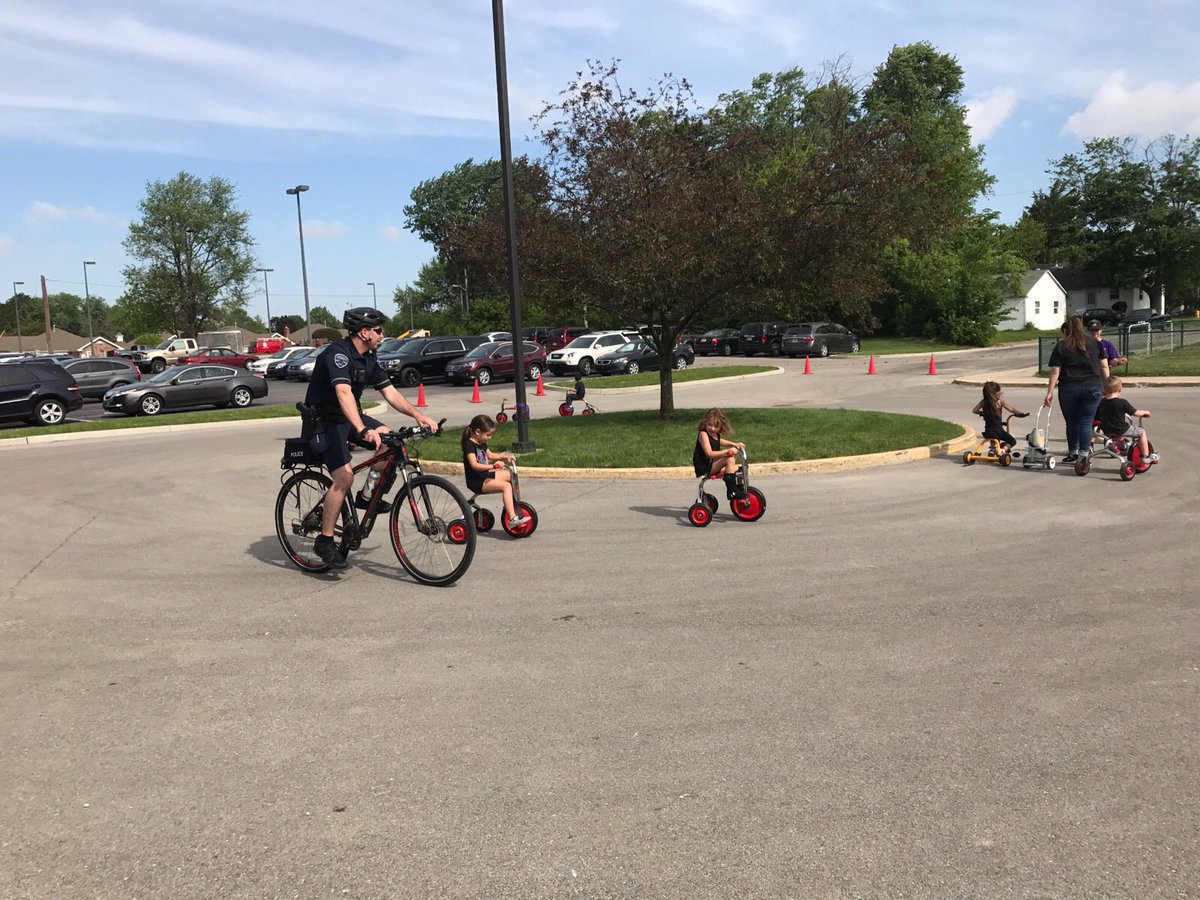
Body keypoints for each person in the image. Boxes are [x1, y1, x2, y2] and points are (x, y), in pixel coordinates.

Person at [304, 307, 439, 569]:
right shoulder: (338, 354)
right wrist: (363, 429)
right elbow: (343, 393)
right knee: (344, 478)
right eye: (378, 330)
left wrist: (418, 415)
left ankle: (366, 496)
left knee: (391, 442)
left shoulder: (369, 358)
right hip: (323, 421)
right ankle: (325, 540)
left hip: (349, 417)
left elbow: (390, 392)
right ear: (364, 332)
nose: (382, 335)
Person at [1045, 315, 1109, 464]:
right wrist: (1107, 385)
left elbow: (1055, 371)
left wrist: (1049, 392)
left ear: (1066, 330)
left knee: (1071, 422)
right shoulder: (1095, 343)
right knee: (1086, 422)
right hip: (1093, 387)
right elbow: (1104, 366)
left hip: (1069, 388)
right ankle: (1084, 455)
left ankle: (1073, 452)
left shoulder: (1062, 346)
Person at [461, 414, 529, 527]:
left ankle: (511, 505)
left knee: (510, 474)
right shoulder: (469, 445)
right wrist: (494, 467)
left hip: (484, 476)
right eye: (488, 435)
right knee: (506, 486)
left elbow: (491, 455)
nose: (490, 438)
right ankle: (512, 519)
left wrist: (505, 456)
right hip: (477, 481)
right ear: (478, 432)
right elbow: (474, 465)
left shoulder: (481, 443)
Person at [1096, 375, 1159, 464]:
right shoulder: (1122, 402)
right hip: (1120, 429)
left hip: (1107, 430)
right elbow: (1136, 413)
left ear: (1104, 390)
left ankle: (1123, 449)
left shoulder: (1102, 402)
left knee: (1119, 436)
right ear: (1119, 389)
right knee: (1141, 432)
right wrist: (1146, 412)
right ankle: (1146, 456)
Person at [693, 408, 746, 498]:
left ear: (721, 426)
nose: (712, 428)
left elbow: (718, 441)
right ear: (705, 422)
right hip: (705, 467)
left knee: (738, 469)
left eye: (716, 426)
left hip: (712, 464)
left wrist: (734, 444)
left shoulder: (715, 435)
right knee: (730, 459)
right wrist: (727, 452)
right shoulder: (703, 434)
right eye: (710, 425)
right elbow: (709, 454)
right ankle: (732, 491)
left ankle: (740, 488)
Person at [971, 381, 1027, 454]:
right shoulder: (999, 402)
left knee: (993, 436)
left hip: (987, 432)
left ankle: (992, 449)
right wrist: (1020, 414)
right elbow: (1010, 409)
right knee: (1012, 441)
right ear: (997, 394)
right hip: (999, 431)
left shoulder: (984, 402)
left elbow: (975, 410)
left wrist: (982, 413)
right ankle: (1002, 450)